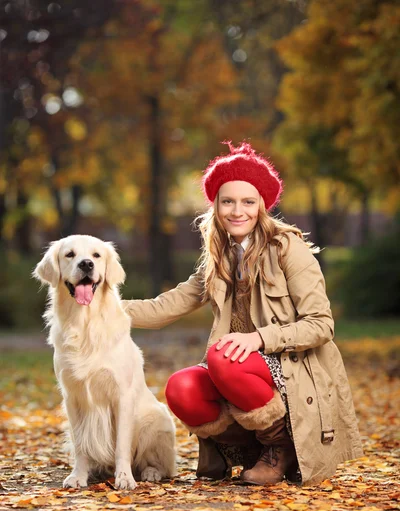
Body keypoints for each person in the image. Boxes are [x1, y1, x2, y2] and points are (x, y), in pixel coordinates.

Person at [122, 141, 363, 486]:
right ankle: (249, 451)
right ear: (216, 207)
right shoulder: (221, 256)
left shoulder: (286, 248)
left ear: (262, 206)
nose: (238, 211)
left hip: (291, 368)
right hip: (237, 366)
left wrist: (258, 338)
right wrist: (102, 309)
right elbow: (167, 305)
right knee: (182, 388)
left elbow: (321, 325)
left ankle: (280, 447)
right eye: (228, 201)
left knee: (222, 356)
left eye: (248, 202)